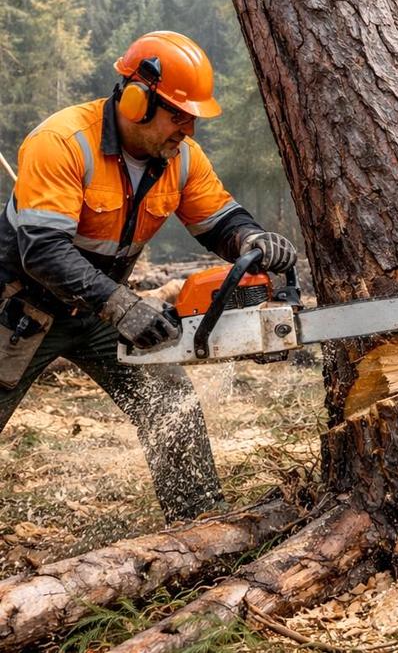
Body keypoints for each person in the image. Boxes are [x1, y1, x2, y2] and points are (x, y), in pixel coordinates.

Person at [0, 31, 297, 522]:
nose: (188, 129)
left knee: (168, 396)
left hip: (99, 308)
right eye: (178, 115)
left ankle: (198, 522)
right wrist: (121, 306)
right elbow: (43, 251)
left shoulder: (181, 158)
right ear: (137, 100)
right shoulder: (63, 142)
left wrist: (251, 240)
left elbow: (219, 220)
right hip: (21, 305)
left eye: (192, 118)